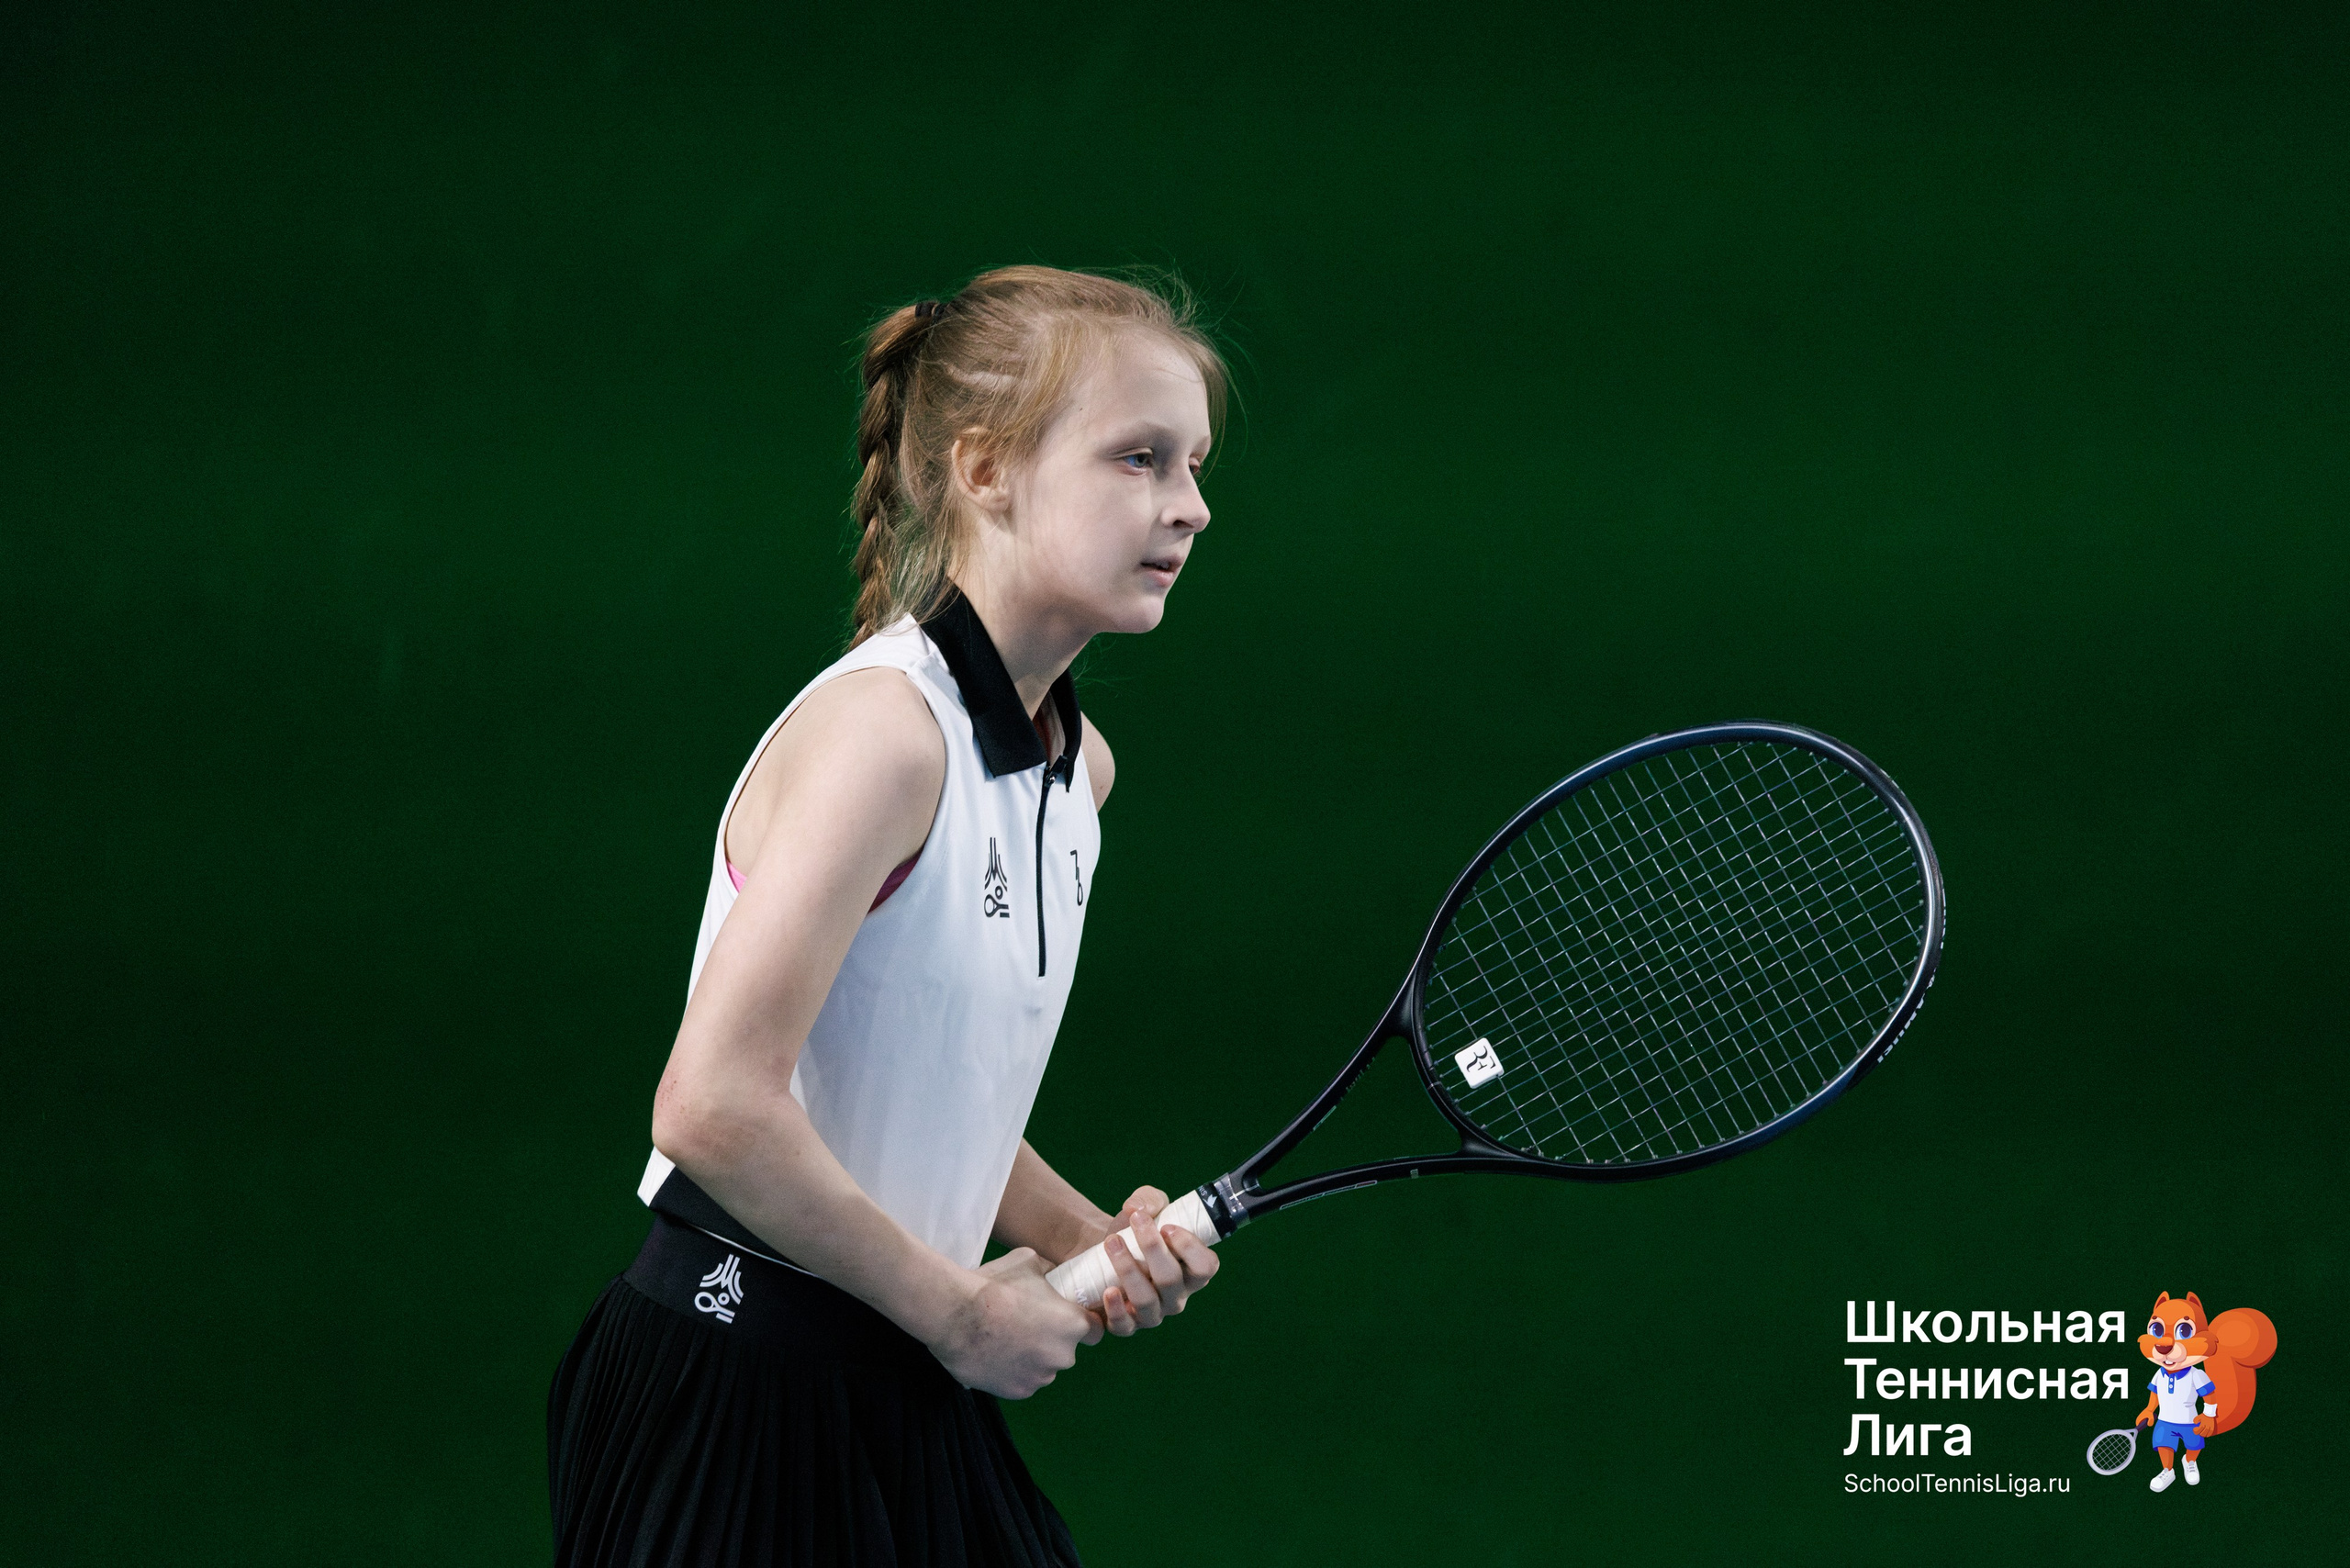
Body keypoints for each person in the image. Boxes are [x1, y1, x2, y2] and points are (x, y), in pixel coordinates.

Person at [547, 265, 1228, 1567]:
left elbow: (912, 1077)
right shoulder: (883, 735)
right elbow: (713, 1106)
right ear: (985, 471)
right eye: (1139, 459)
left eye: (1194, 464)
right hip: (733, 1386)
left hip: (895, 1378)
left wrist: (1078, 1233)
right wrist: (962, 1314)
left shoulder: (1077, 773)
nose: (1190, 506)